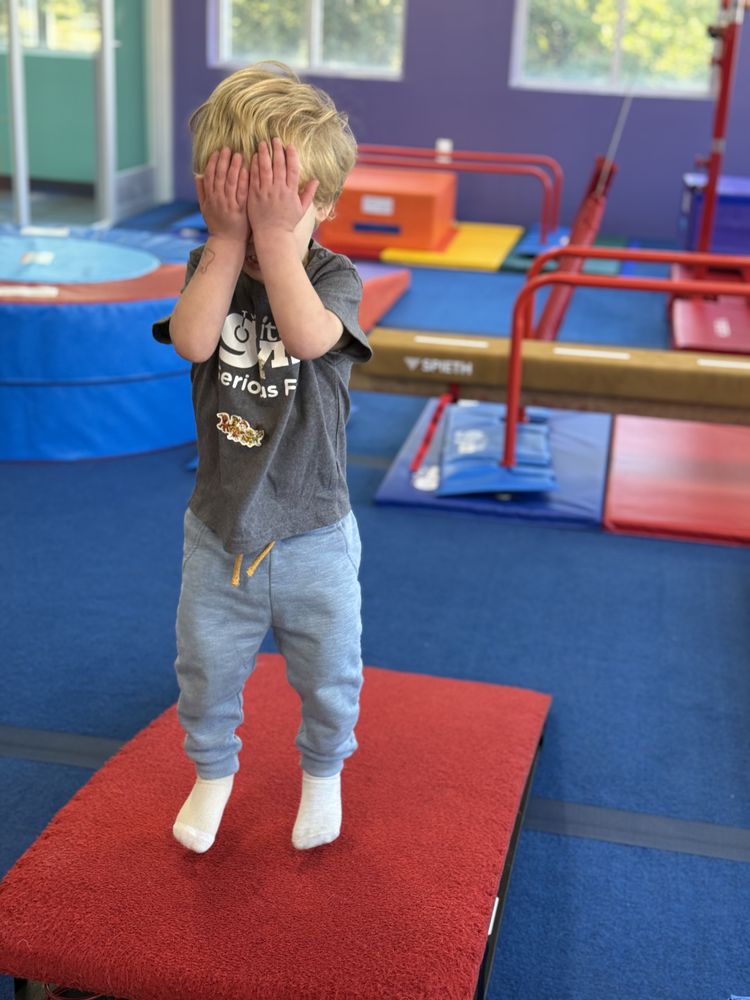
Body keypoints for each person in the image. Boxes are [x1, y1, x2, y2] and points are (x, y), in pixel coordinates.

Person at [152, 62, 371, 854]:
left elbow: (312, 337)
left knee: (328, 674)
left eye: (279, 205)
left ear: (323, 207)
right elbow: (191, 340)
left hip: (312, 533)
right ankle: (212, 773)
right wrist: (227, 238)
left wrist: (278, 239)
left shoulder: (332, 275)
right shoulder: (210, 267)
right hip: (219, 535)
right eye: (239, 203)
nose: (256, 228)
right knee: (205, 667)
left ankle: (323, 772)